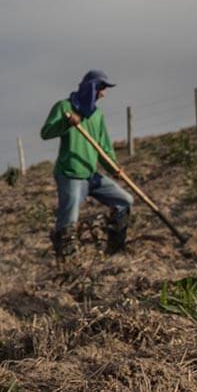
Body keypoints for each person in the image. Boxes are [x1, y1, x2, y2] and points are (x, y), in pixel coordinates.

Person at [40, 70, 133, 258]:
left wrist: (114, 168)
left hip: (91, 175)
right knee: (69, 220)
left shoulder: (97, 115)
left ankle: (115, 249)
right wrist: (67, 124)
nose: (104, 94)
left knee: (125, 201)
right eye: (102, 88)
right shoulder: (64, 107)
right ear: (92, 87)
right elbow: (46, 132)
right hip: (70, 173)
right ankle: (66, 259)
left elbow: (104, 146)